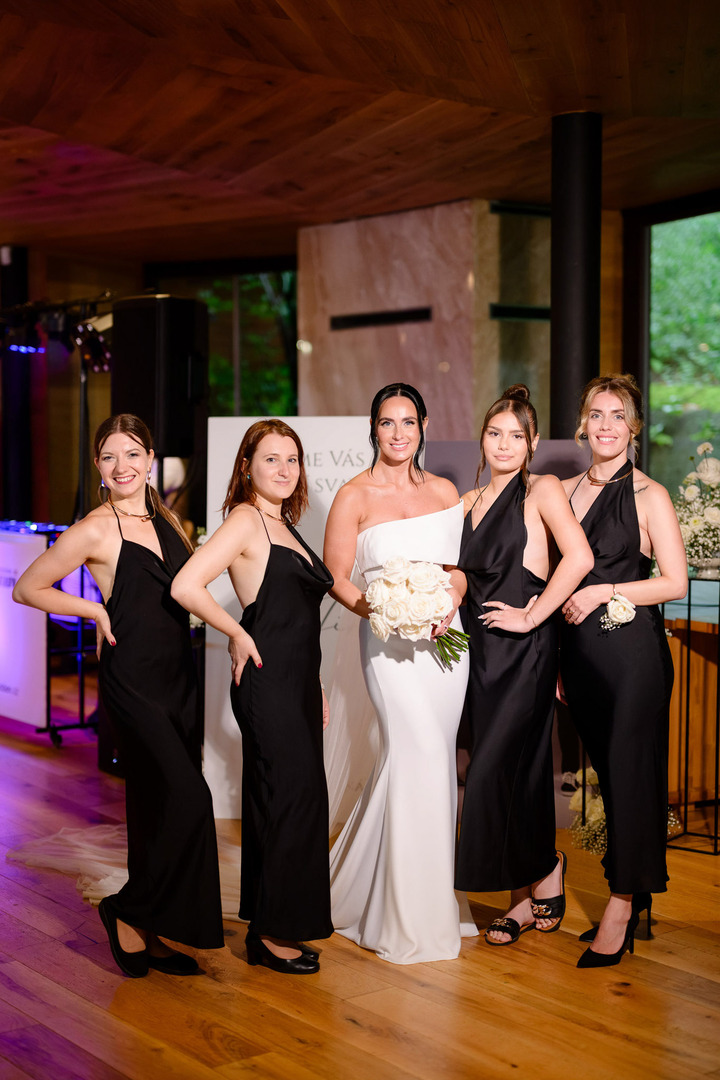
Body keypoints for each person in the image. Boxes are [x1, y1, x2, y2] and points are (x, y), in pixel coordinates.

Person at [12, 414, 223, 978]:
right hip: (133, 679)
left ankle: (149, 930)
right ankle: (126, 909)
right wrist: (95, 609)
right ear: (99, 468)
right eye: (109, 457)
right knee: (191, 801)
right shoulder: (94, 528)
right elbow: (27, 587)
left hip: (180, 676)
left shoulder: (172, 522)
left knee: (155, 807)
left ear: (150, 459)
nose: (122, 466)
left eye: (132, 454)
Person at [171, 420, 333, 975]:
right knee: (292, 800)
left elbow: (298, 621)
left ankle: (269, 927)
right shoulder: (245, 519)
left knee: (283, 801)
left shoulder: (284, 522)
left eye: (292, 460)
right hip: (266, 681)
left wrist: (313, 688)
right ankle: (276, 933)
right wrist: (238, 632)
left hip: (297, 683)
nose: (284, 469)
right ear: (247, 466)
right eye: (271, 459)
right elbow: (186, 585)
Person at [323, 382, 476, 964]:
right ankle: (408, 916)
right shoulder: (353, 494)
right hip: (387, 643)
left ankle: (410, 894)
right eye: (387, 423)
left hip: (446, 643)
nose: (398, 434)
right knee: (417, 755)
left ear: (424, 426)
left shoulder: (445, 491)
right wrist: (383, 608)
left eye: (408, 422)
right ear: (374, 429)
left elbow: (457, 570)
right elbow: (337, 576)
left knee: (431, 760)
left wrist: (444, 603)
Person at [454, 385, 594, 945]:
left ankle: (529, 882)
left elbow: (579, 557)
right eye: (495, 433)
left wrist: (534, 617)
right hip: (476, 654)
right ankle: (537, 875)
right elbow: (457, 576)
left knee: (496, 769)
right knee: (510, 772)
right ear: (482, 439)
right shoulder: (466, 501)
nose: (505, 444)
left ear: (532, 442)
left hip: (524, 652)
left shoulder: (542, 490)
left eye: (517, 435)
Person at [559, 374, 687, 968]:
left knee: (632, 777)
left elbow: (674, 581)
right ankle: (631, 892)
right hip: (580, 657)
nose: (605, 424)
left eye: (617, 415)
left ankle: (620, 903)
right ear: (582, 423)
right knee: (609, 780)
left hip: (632, 653)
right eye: (595, 413)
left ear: (633, 429)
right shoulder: (561, 491)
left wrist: (608, 587)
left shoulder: (648, 495)